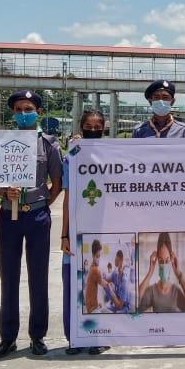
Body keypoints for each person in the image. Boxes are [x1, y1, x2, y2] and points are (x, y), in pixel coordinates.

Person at [0, 89, 63, 358]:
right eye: (18, 110)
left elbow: (57, 183)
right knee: (8, 276)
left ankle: (37, 335)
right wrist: (5, 192)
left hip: (37, 217)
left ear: (38, 112)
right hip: (9, 216)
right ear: (13, 113)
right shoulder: (3, 143)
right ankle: (7, 337)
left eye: (28, 109)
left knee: (38, 276)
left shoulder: (49, 144)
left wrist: (40, 203)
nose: (23, 114)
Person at [60, 110, 111, 355]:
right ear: (81, 127)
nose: (93, 130)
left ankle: (100, 336)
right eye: (88, 126)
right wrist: (64, 234)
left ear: (104, 128)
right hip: (78, 227)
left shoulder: (112, 154)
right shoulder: (73, 155)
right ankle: (75, 337)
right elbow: (68, 197)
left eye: (97, 126)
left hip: (104, 227)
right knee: (73, 283)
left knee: (99, 287)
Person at [137, 233, 185, 313]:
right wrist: (150, 271)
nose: (164, 265)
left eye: (167, 261)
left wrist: (178, 273)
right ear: (157, 261)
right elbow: (136, 302)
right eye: (161, 261)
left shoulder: (176, 292)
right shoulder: (152, 291)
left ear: (171, 261)